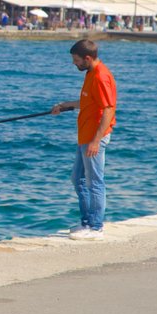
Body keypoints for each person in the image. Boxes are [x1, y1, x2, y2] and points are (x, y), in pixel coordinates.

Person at [51, 40, 117, 241]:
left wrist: (96, 141)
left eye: (76, 60)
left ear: (87, 58)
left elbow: (108, 109)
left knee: (95, 182)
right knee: (77, 178)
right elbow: (88, 102)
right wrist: (65, 105)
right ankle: (87, 222)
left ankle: (96, 227)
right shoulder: (90, 74)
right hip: (84, 135)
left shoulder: (101, 77)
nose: (74, 63)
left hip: (94, 138)